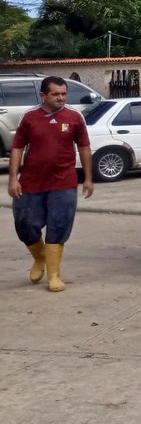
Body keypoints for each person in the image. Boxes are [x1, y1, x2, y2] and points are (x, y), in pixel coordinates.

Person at [7, 76, 93, 292]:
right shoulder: (29, 118)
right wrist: (13, 179)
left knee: (58, 225)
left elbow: (84, 147)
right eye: (55, 94)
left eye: (64, 94)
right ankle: (40, 258)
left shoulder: (74, 117)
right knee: (25, 225)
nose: (61, 98)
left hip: (63, 182)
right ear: (43, 95)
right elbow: (17, 147)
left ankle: (54, 275)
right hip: (31, 182)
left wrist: (88, 179)